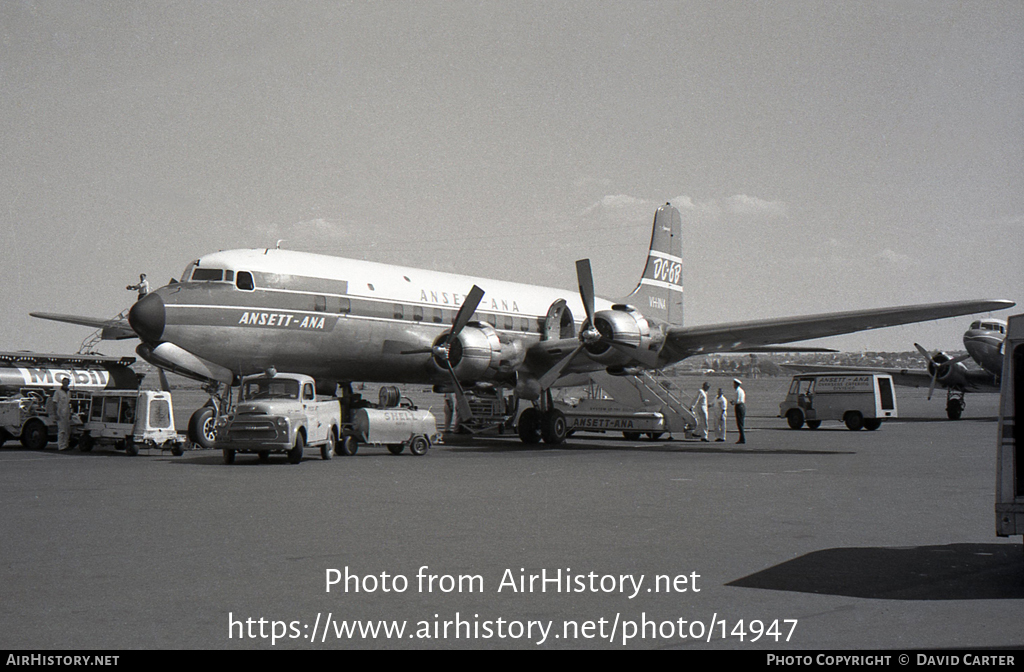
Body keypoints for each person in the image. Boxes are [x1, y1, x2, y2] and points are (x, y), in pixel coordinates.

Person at [52, 378, 72, 451]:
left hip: (67, 413)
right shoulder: (58, 392)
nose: (65, 384)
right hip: (60, 413)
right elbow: (54, 403)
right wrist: (55, 414)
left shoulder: (69, 392)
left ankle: (66, 445)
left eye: (66, 382)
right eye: (64, 382)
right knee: (62, 430)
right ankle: (61, 446)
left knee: (67, 430)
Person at [733, 378, 746, 444]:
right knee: (740, 423)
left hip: (739, 406)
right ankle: (741, 438)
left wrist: (733, 402)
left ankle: (742, 438)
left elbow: (738, 400)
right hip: (742, 406)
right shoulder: (741, 390)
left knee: (739, 423)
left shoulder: (738, 391)